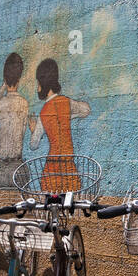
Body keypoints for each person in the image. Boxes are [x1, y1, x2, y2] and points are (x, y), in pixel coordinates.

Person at [29, 58, 91, 193]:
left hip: (52, 168)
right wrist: (69, 115)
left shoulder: (43, 112)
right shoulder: (67, 102)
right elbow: (86, 110)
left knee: (51, 205)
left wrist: (33, 130)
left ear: (41, 83)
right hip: (69, 166)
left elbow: (33, 145)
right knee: (72, 203)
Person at [0, 51, 30, 188]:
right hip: (17, 167)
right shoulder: (24, 103)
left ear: (4, 77)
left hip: (0, 167)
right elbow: (22, 131)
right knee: (23, 207)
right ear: (20, 78)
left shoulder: (0, 104)